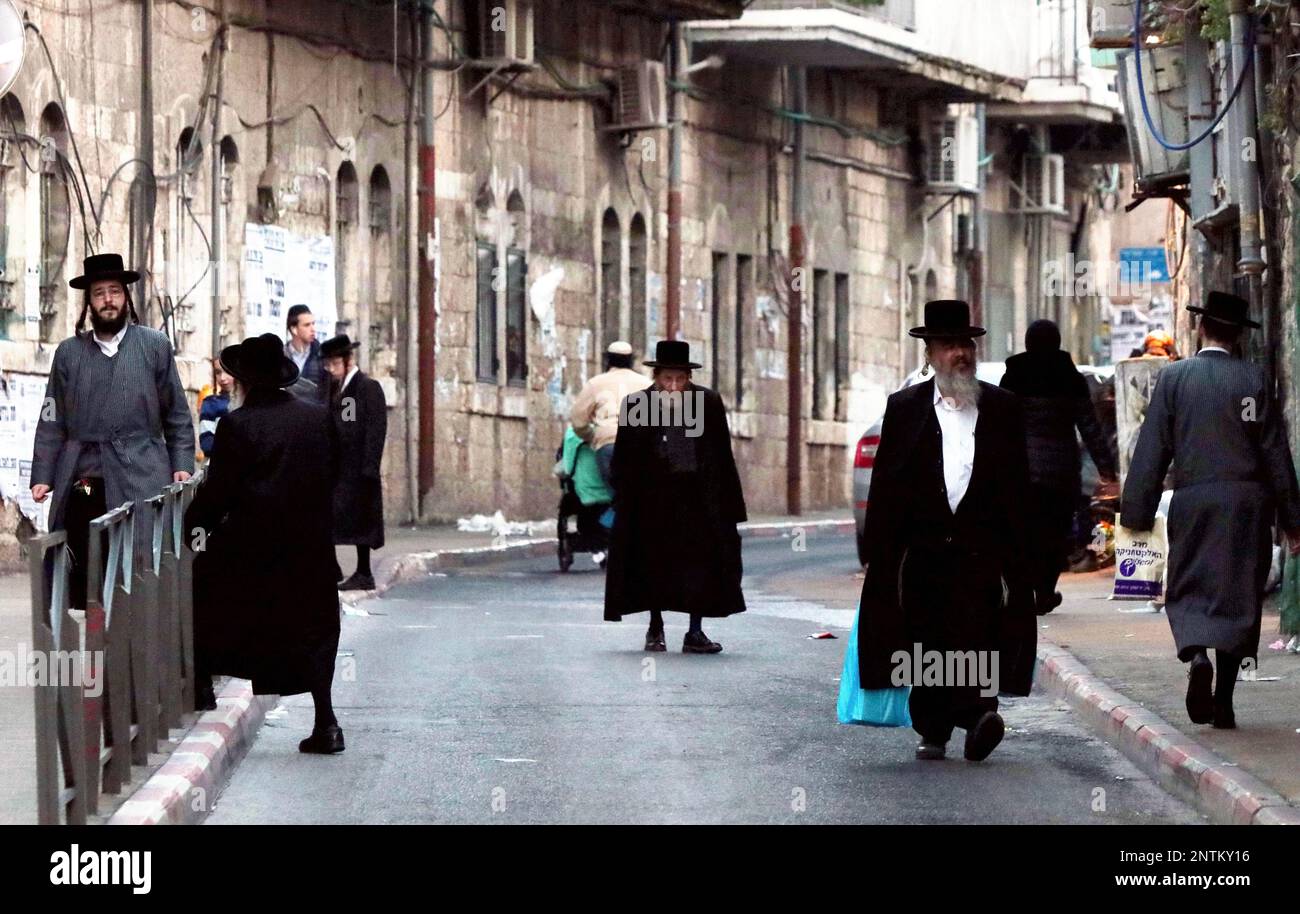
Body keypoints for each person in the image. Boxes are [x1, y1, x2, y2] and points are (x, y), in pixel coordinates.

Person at [857, 300, 1035, 762]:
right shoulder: (905, 409)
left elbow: (1019, 485)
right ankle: (933, 727)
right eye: (949, 344)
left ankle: (979, 716)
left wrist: (1024, 556)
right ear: (930, 353)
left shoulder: (1001, 408)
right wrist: (877, 552)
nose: (960, 352)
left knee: (977, 634)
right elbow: (886, 483)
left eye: (966, 344)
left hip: (981, 551)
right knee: (926, 640)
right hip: (923, 553)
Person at [1122, 291, 1300, 730]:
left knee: (1189, 587)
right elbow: (1276, 455)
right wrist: (1293, 522)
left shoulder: (1175, 379)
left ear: (1201, 327)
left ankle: (1196, 655)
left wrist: (1136, 514)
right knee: (1239, 598)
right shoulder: (1254, 381)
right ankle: (1223, 701)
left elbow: (1152, 451)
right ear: (1239, 336)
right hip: (1247, 508)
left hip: (1195, 501)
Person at [185, 334, 345, 753]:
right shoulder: (317, 417)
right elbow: (336, 473)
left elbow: (219, 491)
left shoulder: (237, 425)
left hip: (256, 548)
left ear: (243, 382)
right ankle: (326, 722)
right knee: (318, 627)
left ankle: (202, 686)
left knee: (202, 583)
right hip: (311, 546)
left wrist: (193, 524)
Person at [29, 253, 194, 609]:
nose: (108, 300)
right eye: (99, 292)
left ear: (126, 297)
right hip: (86, 476)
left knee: (140, 571)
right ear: (89, 301)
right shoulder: (69, 353)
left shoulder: (154, 346)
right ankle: (94, 647)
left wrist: (181, 461)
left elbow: (177, 414)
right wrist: (43, 472)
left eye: (115, 291)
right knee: (86, 570)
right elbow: (51, 416)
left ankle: (138, 650)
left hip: (143, 472)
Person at [603, 339, 747, 653]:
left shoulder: (707, 402)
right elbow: (625, 456)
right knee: (653, 564)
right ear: (656, 377)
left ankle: (695, 632)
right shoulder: (638, 404)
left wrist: (728, 505)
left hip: (696, 500)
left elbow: (721, 455)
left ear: (688, 378)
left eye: (680, 379)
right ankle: (656, 628)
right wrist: (625, 497)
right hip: (652, 502)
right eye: (667, 378)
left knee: (700, 564)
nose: (673, 386)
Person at [1000, 319, 1117, 614]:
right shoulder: (1070, 377)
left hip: (1020, 473)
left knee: (1025, 532)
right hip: (1061, 474)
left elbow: (996, 425)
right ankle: (1045, 590)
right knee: (1055, 533)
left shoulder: (1013, 376)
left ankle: (1025, 590)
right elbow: (1090, 427)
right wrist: (1107, 470)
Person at [321, 334, 388, 592]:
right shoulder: (338, 388)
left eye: (334, 363)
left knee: (361, 522)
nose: (331, 369)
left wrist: (369, 466)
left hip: (357, 468)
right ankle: (335, 567)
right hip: (340, 468)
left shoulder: (363, 388)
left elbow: (371, 428)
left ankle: (363, 572)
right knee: (329, 518)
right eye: (328, 364)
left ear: (348, 361)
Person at [570, 340, 651, 491]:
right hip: (640, 447)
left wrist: (592, 436)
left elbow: (578, 420)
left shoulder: (595, 384)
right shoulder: (646, 384)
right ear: (631, 360)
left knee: (617, 496)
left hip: (609, 445)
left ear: (608, 359)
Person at [284, 304, 327, 401]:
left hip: (314, 412)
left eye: (313, 324)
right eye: (307, 325)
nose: (313, 329)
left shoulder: (322, 356)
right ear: (294, 329)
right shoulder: (281, 356)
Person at [198, 356, 234, 461]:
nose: (222, 378)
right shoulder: (211, 404)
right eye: (218, 372)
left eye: (227, 371)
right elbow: (207, 443)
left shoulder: (250, 402)